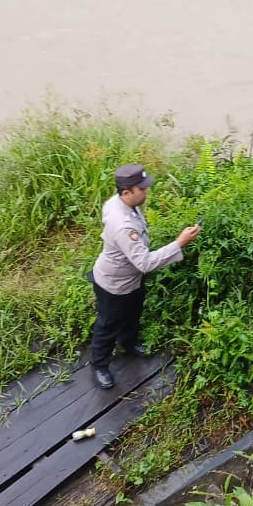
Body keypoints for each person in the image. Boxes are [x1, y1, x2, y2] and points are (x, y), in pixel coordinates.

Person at [88, 163, 201, 389]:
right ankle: (99, 364)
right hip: (114, 284)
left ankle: (128, 344)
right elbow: (145, 262)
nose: (146, 192)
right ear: (127, 192)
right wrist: (180, 243)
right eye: (142, 189)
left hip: (132, 280)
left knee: (132, 314)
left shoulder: (121, 203)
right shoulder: (121, 225)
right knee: (108, 324)